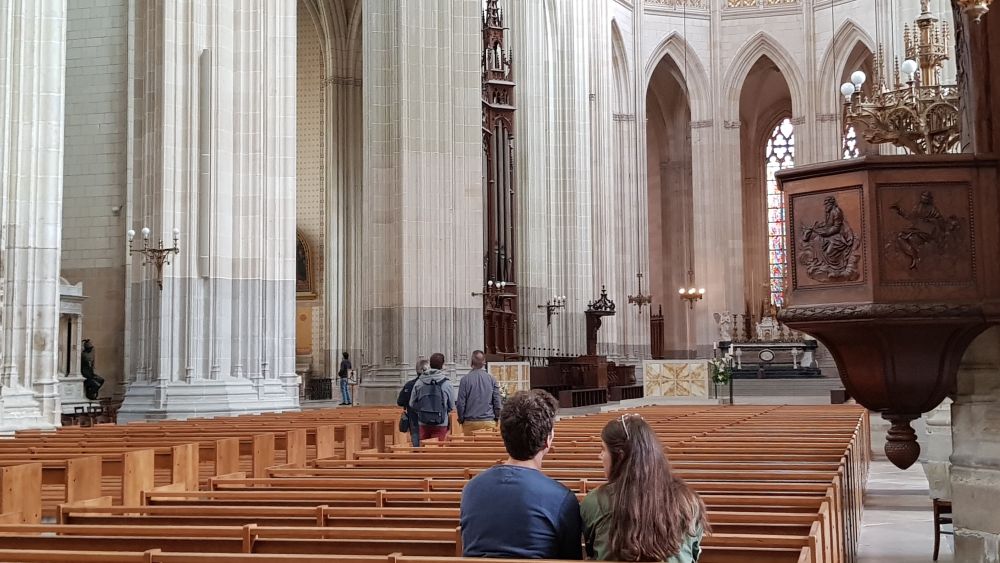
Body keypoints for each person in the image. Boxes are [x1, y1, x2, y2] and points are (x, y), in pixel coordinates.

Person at [460, 390, 582, 559]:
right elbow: (571, 559)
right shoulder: (561, 499)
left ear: (504, 435)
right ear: (548, 440)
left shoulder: (472, 489)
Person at [581, 413, 709, 562]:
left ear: (620, 456)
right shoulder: (688, 500)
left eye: (603, 449)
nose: (600, 456)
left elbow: (592, 550)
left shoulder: (595, 502)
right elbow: (692, 554)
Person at [408, 352, 456, 442]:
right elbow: (452, 406)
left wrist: (422, 410)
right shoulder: (447, 383)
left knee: (424, 450)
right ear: (442, 365)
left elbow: (412, 403)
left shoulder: (420, 381)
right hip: (441, 421)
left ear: (430, 364)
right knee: (438, 451)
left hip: (423, 421)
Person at [456, 350, 502, 435]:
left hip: (470, 422)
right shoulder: (492, 379)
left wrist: (461, 419)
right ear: (484, 362)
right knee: (487, 447)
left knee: (469, 448)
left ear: (471, 362)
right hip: (488, 421)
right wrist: (497, 417)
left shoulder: (465, 380)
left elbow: (460, 403)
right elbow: (497, 402)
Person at [397, 358, 427, 447]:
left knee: (416, 445)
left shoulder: (409, 385)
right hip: (429, 420)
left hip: (413, 420)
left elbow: (400, 401)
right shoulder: (431, 384)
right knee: (430, 446)